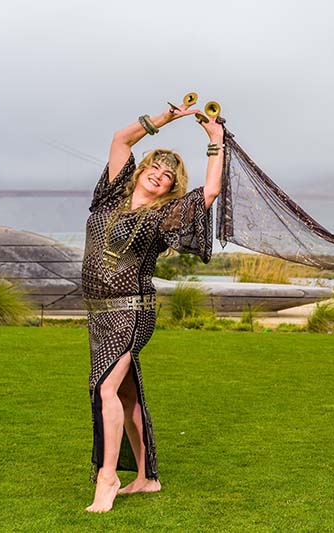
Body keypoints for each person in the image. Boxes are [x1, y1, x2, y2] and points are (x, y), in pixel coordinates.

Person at [82, 97, 223, 512]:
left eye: (167, 177)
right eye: (154, 168)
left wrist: (214, 140)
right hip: (98, 313)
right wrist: (165, 119)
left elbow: (210, 191)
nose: (159, 176)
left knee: (105, 387)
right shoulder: (109, 198)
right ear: (140, 171)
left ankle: (107, 480)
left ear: (170, 188)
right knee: (125, 397)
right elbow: (121, 139)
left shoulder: (165, 216)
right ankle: (146, 478)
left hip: (131, 310)